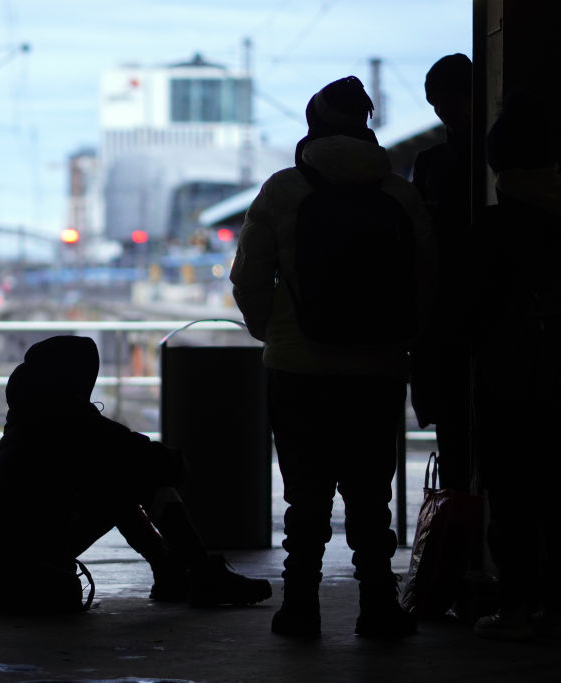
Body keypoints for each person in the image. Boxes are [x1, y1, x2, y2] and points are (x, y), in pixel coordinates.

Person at [230, 76, 436, 638]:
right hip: (377, 367)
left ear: (312, 125)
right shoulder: (399, 194)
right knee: (370, 494)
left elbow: (249, 276)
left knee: (306, 494)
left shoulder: (283, 190)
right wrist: (402, 340)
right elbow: (426, 282)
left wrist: (274, 332)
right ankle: (379, 607)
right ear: (366, 125)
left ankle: (300, 607)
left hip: (299, 367)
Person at [0, 335, 271, 614]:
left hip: (13, 546)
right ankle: (202, 574)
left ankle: (172, 572)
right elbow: (163, 463)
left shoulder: (25, 418)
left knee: (114, 480)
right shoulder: (70, 419)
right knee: (130, 478)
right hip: (39, 551)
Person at [472, 92, 561, 641]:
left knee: (511, 494)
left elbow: (469, 314)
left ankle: (516, 605)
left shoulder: (491, 229)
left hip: (509, 381)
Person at [410, 53, 476, 491]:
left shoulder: (431, 163)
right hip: (481, 310)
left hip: (441, 316)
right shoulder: (481, 157)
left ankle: (455, 513)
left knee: (452, 431)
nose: (442, 111)